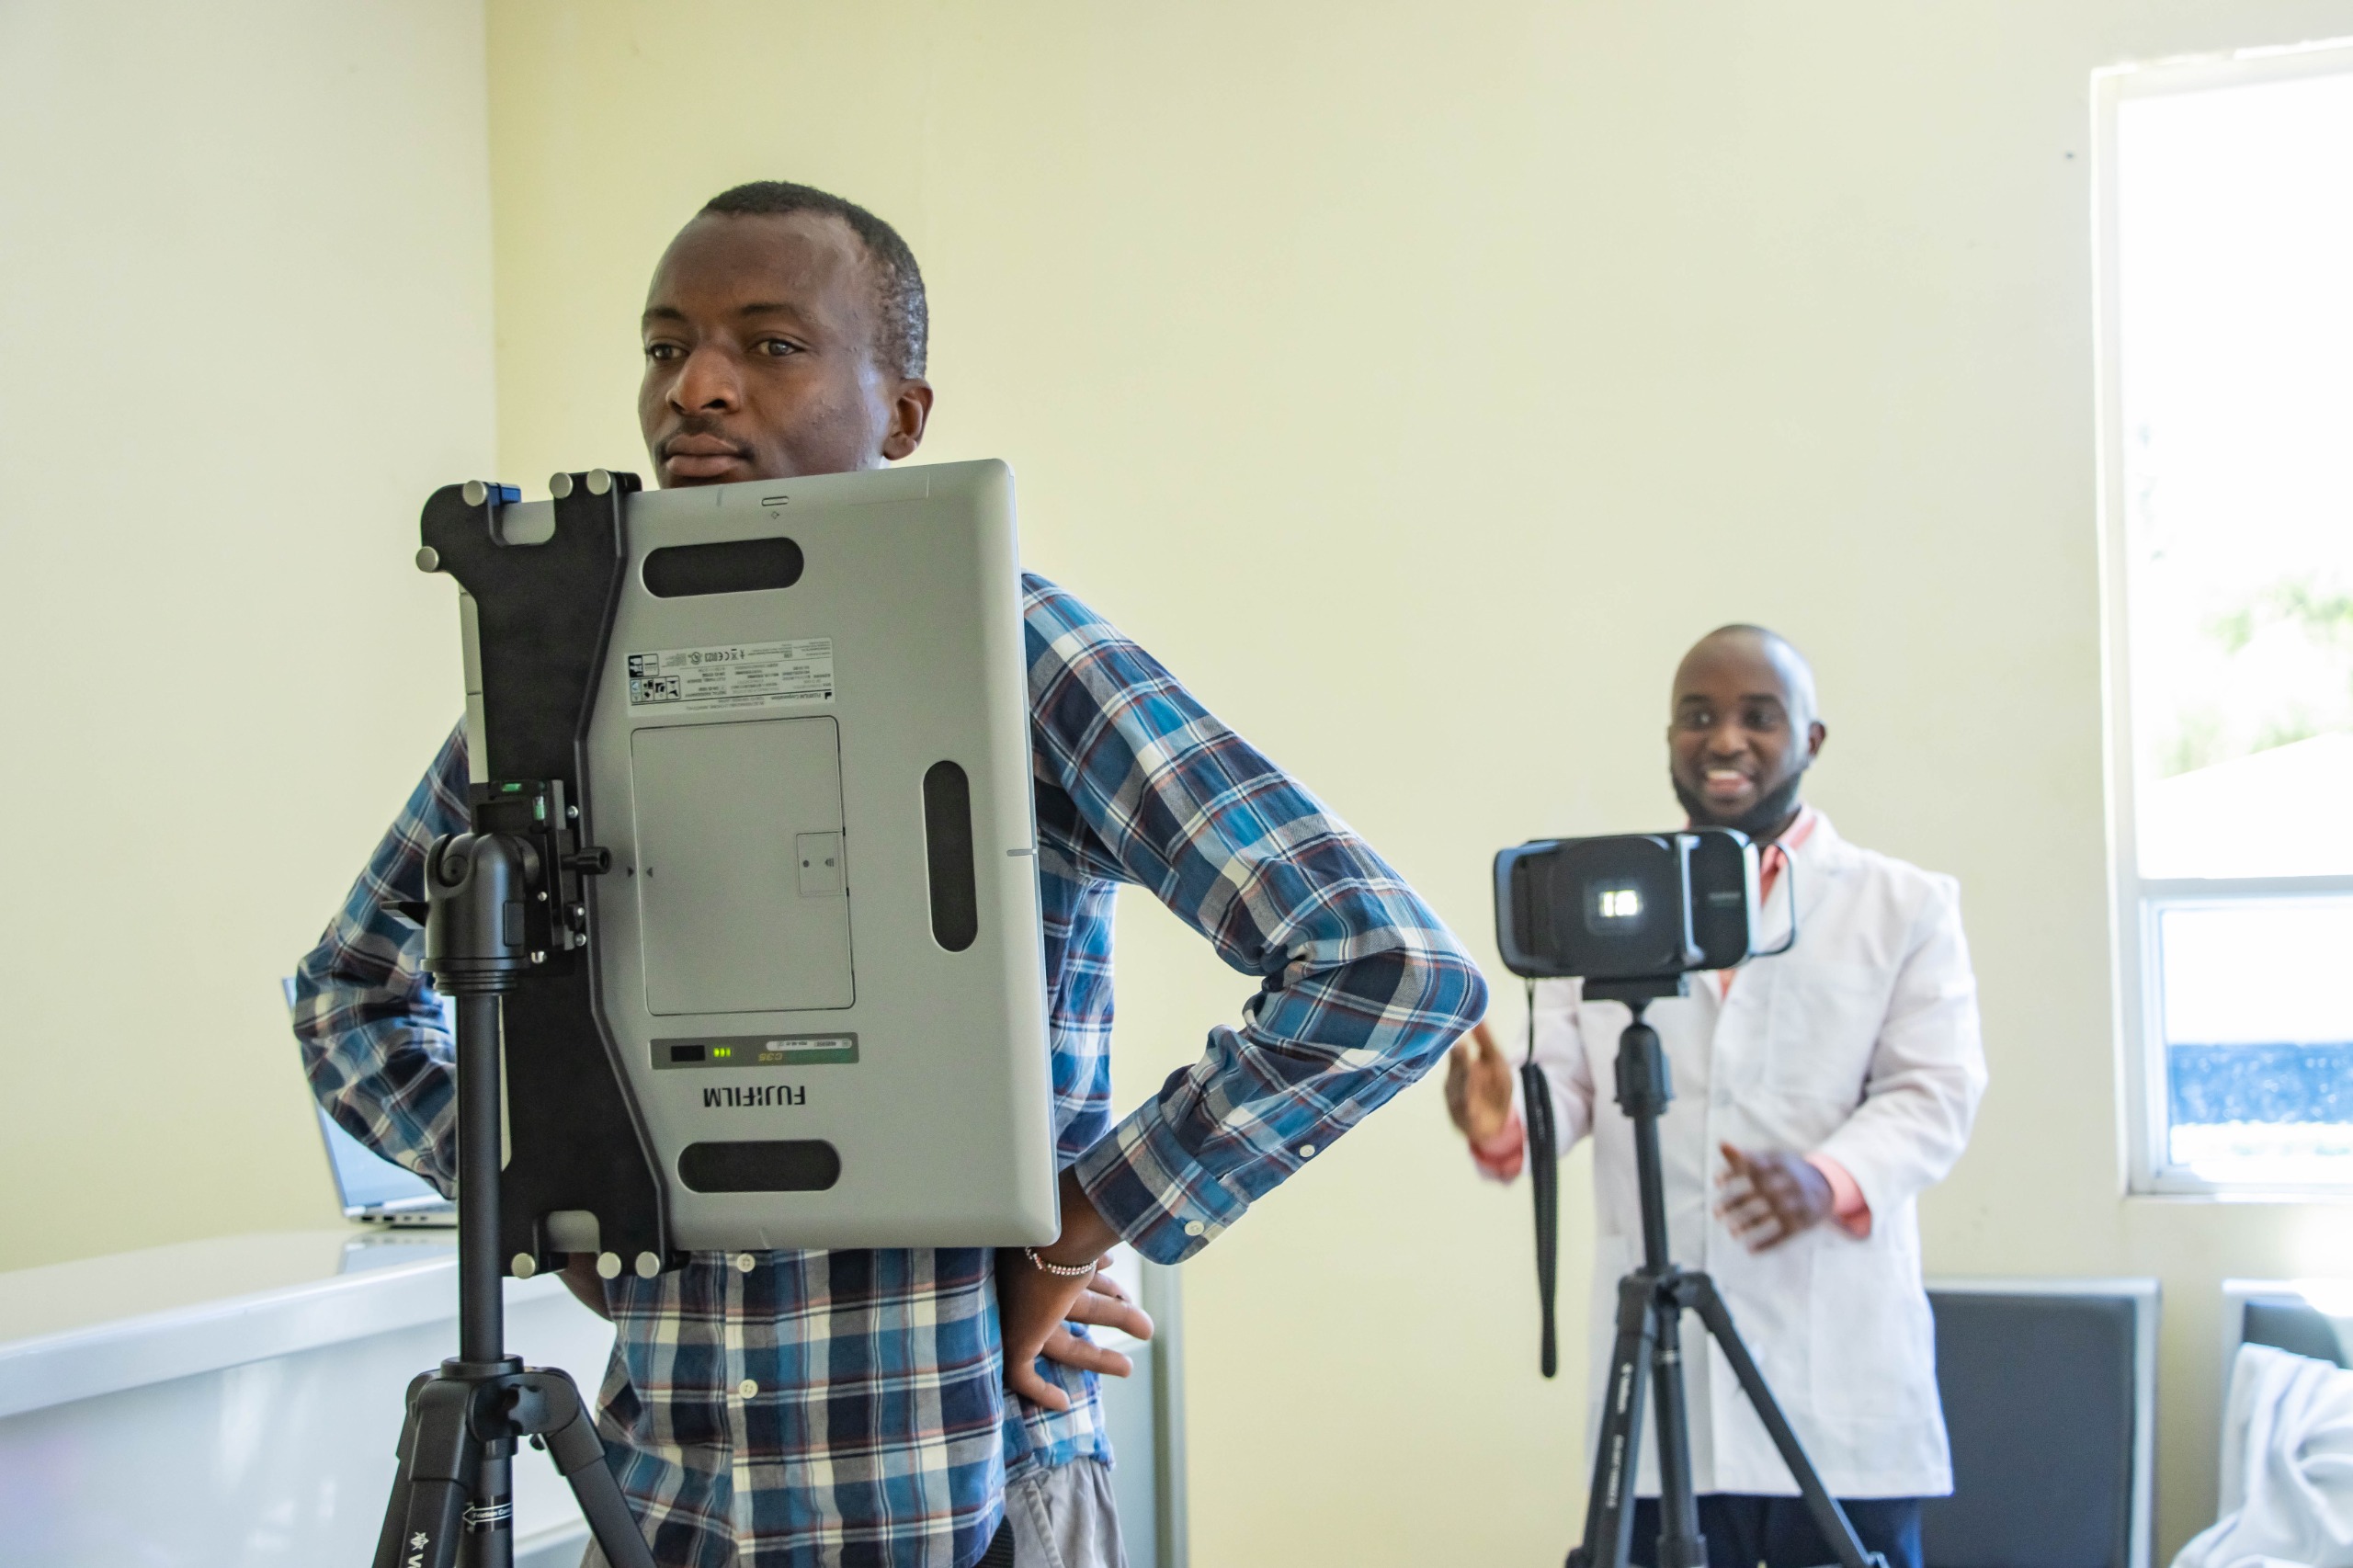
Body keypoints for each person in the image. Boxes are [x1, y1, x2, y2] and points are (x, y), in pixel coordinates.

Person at [294, 180, 1488, 1568]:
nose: (698, 387)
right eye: (664, 343)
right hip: (666, 1501)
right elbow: (351, 996)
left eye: (771, 344)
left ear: (903, 416)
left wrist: (1074, 1230)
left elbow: (1385, 965)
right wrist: (555, 1189)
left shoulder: (1008, 651)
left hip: (961, 1488)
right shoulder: (561, 670)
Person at [1446, 625, 1985, 1568]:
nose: (1724, 739)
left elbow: (1935, 1090)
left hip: (1840, 1390)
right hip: (1666, 1408)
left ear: (1811, 739)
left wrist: (1827, 1178)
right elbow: (1565, 1092)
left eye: (1757, 716)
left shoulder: (1902, 905)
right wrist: (1501, 1117)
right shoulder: (1595, 907)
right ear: (1668, 740)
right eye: (1697, 717)